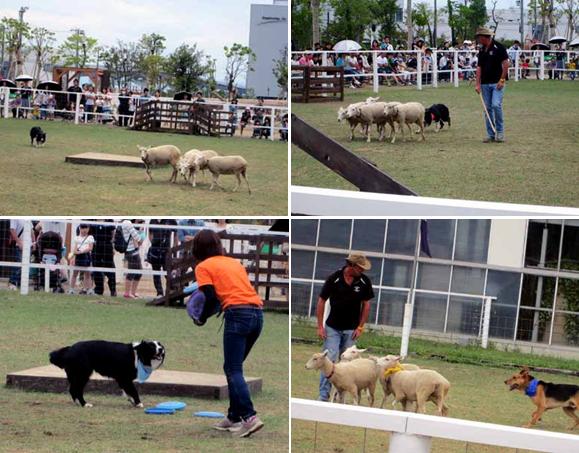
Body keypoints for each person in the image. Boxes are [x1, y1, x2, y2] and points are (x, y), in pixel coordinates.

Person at [192, 229, 264, 437]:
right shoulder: (233, 262)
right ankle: (234, 416)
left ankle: (250, 417)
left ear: (197, 248)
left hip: (237, 315)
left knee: (233, 369)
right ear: (217, 245)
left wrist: (201, 317)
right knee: (234, 368)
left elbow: (211, 298)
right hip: (257, 314)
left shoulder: (203, 266)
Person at [316, 252, 374, 402]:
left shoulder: (364, 281)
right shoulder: (334, 278)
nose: (362, 271)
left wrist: (360, 327)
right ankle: (323, 396)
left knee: (348, 363)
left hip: (351, 329)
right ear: (351, 265)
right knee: (329, 359)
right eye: (360, 268)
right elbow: (322, 301)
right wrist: (320, 326)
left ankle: (341, 396)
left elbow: (366, 305)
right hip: (332, 327)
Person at [475, 27, 509, 143]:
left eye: (479, 37)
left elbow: (505, 64)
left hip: (497, 83)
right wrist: (477, 84)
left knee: (496, 105)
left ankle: (500, 132)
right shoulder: (482, 50)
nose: (478, 39)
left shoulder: (499, 47)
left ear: (485, 37)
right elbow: (479, 67)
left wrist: (502, 80)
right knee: (487, 109)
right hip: (485, 84)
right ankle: (491, 133)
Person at [147, 219, 177, 297]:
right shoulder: (152, 220)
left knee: (168, 272)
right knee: (156, 273)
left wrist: (174, 248)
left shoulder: (171, 221)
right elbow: (150, 233)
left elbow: (176, 234)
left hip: (166, 251)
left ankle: (172, 290)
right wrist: (153, 243)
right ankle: (159, 293)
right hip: (155, 251)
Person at [90, 220, 116, 296]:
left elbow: (113, 232)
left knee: (110, 268)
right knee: (96, 268)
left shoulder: (109, 220)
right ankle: (99, 290)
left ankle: (113, 290)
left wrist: (112, 244)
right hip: (96, 246)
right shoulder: (93, 220)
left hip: (107, 246)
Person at [69, 224, 95, 295]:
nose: (84, 230)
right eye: (82, 228)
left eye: (86, 228)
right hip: (78, 257)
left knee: (87, 274)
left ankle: (88, 289)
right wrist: (73, 257)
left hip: (86, 256)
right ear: (80, 228)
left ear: (88, 229)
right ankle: (71, 289)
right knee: (75, 273)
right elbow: (75, 249)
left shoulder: (90, 237)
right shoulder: (77, 238)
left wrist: (81, 252)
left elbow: (90, 248)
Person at [122, 219, 145, 298]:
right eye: (139, 222)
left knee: (139, 272)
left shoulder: (130, 226)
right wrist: (141, 232)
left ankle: (133, 292)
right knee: (132, 272)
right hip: (130, 251)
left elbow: (138, 242)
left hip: (135, 251)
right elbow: (138, 239)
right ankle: (127, 293)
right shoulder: (128, 224)